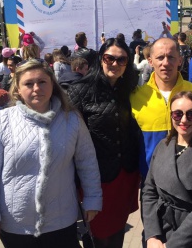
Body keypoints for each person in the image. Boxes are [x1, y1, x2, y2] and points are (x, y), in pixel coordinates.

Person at [0, 59, 102, 247]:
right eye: (28, 83)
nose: (36, 88)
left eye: (42, 82)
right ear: (17, 88)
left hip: (61, 220)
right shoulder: (2, 121)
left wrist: (92, 199)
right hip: (16, 224)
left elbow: (87, 162)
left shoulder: (71, 119)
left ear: (52, 84)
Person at [67, 38, 140, 248]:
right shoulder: (80, 90)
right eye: (109, 58)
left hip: (125, 175)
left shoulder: (130, 89)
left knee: (118, 229)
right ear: (101, 59)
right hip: (96, 179)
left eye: (121, 59)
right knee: (100, 234)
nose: (115, 64)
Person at [142, 91, 192, 248]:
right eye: (178, 114)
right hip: (159, 229)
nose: (184, 120)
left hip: (191, 234)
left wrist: (173, 244)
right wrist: (152, 234)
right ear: (171, 115)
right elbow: (148, 191)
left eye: (191, 114)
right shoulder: (162, 146)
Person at [130, 38, 192, 179]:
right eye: (160, 57)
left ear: (180, 61)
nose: (166, 63)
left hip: (190, 181)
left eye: (171, 57)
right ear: (150, 61)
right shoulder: (135, 98)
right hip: (151, 184)